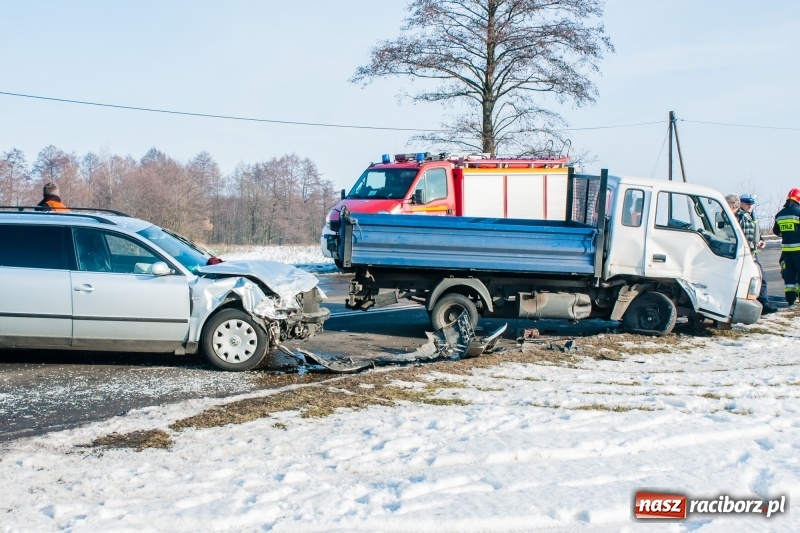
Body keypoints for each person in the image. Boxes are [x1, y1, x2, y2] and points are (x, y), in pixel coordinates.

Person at [736, 195, 777, 314]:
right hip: (745, 253)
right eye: (747, 203)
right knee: (758, 279)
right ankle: (763, 304)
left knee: (760, 279)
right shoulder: (740, 216)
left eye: (751, 203)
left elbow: (755, 232)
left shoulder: (752, 216)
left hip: (752, 252)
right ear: (741, 204)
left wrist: (761, 240)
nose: (750, 205)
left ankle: (763, 304)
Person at [772, 188, 800, 306]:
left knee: (789, 276)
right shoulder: (799, 212)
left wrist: (787, 235)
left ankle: (790, 300)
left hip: (786, 251)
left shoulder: (780, 214)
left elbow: (776, 231)